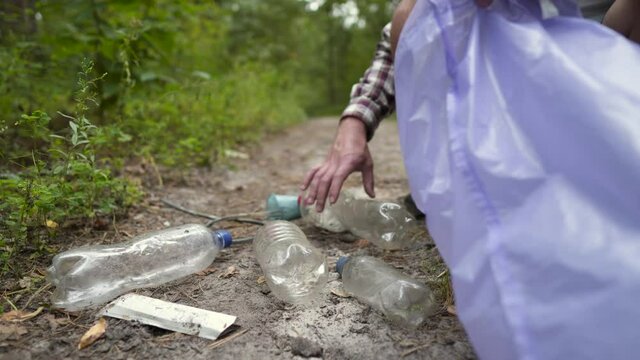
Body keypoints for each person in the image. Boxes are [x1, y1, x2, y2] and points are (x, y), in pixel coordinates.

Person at [301, 0, 639, 213]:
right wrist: (355, 123)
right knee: (413, 11)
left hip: (606, 94)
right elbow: (404, 34)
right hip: (517, 93)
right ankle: (469, 179)